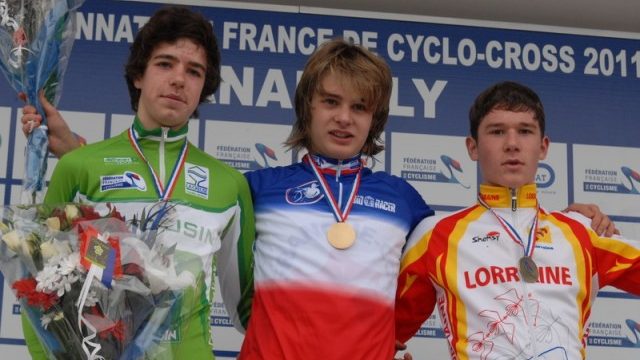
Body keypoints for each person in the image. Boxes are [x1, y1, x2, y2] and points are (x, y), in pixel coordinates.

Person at [23, 39, 617, 358]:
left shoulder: (407, 202)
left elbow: (484, 240)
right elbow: (168, 207)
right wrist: (77, 147)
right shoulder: (255, 188)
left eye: (360, 108)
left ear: (376, 120)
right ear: (307, 107)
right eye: (331, 101)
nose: (343, 118)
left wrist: (570, 220)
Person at [20, 6, 255, 359]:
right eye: (165, 63)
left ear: (204, 86)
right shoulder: (80, 167)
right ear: (138, 75)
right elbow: (38, 292)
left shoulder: (230, 185)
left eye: (194, 71)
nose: (179, 79)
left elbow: (248, 311)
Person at [394, 81, 640, 359]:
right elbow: (382, 331)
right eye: (497, 132)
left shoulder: (582, 232)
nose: (512, 144)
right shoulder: (436, 236)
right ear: (472, 147)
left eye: (525, 131)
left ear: (543, 146)